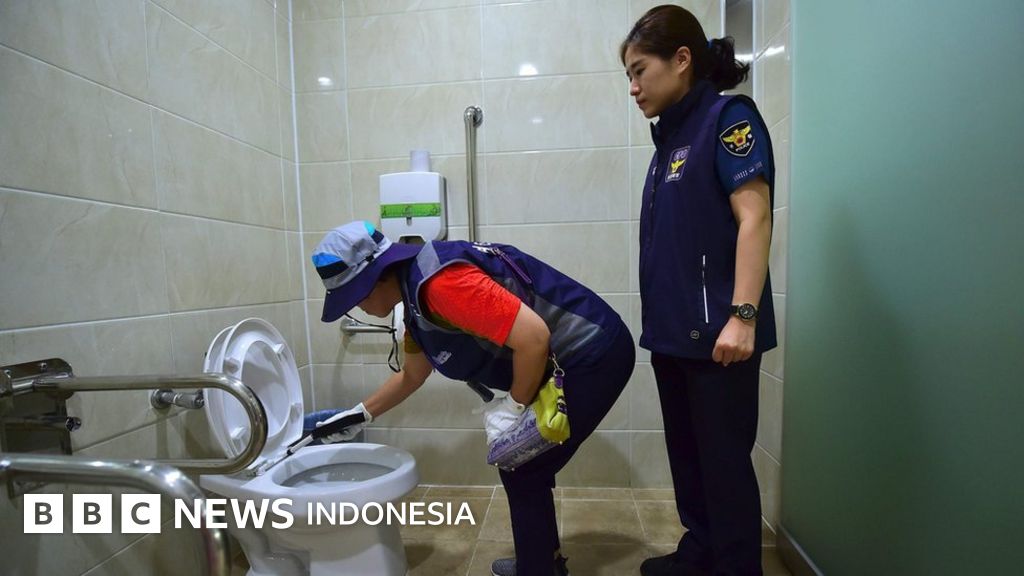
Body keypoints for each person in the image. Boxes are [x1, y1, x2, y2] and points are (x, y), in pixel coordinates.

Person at [309, 220, 635, 576]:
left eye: (354, 296)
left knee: (524, 466)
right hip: (569, 360)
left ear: (375, 278)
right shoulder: (413, 300)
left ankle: (538, 567)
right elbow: (412, 375)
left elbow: (534, 339)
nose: (357, 307)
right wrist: (359, 415)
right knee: (524, 467)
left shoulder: (440, 286)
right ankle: (542, 562)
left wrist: (513, 407)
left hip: (593, 353)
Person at [621, 5, 778, 576]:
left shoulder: (728, 118)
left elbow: (754, 218)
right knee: (688, 461)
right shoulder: (671, 138)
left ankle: (734, 567)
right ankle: (702, 552)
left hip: (720, 337)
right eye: (629, 76)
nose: (633, 87)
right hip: (673, 335)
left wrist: (744, 315)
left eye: (640, 71)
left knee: (724, 467)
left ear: (682, 59)